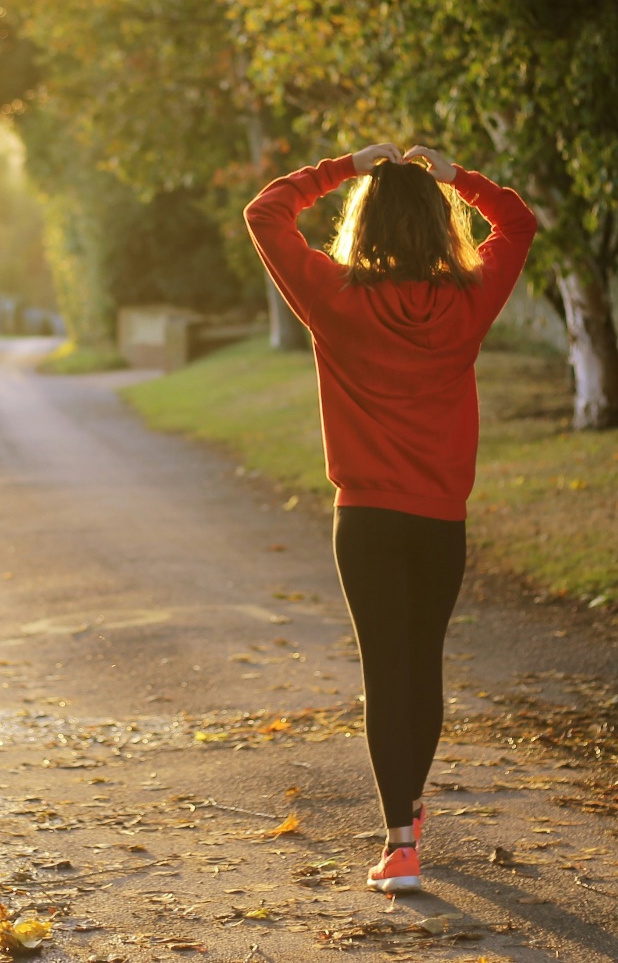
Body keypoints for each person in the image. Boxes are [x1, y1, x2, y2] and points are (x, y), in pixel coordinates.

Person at [243, 142, 537, 894]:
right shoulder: (469, 298)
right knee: (423, 666)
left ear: (363, 224)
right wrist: (458, 178)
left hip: (366, 519)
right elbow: (520, 221)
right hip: (440, 518)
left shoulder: (334, 296)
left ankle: (400, 842)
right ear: (440, 227)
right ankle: (406, 814)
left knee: (386, 672)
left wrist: (344, 167)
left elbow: (265, 212)